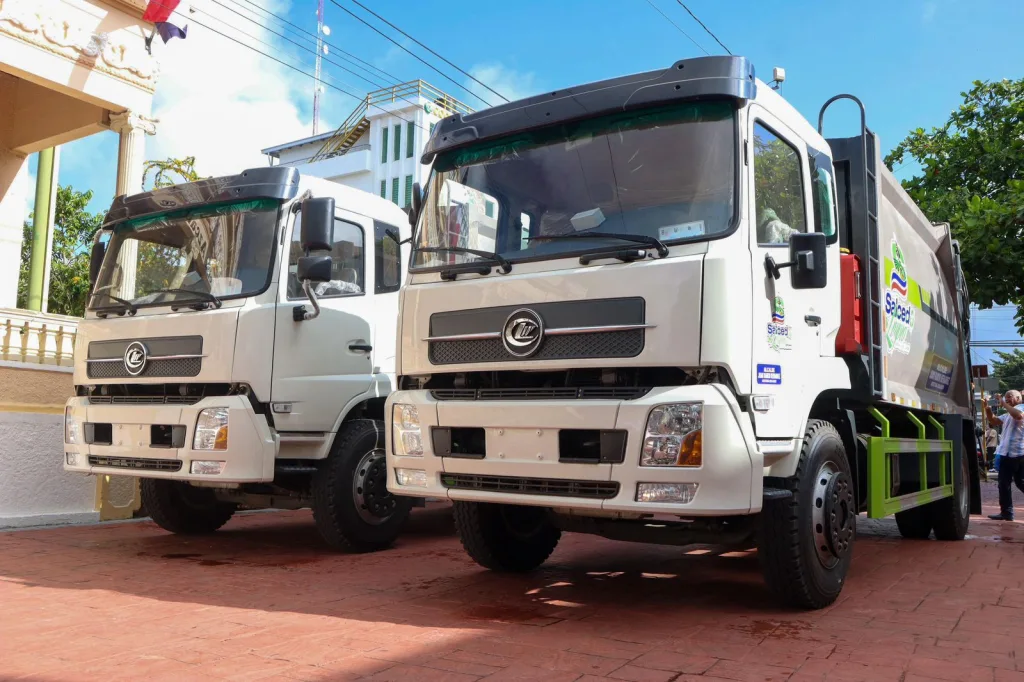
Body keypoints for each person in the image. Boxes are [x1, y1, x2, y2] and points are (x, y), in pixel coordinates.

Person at [985, 390, 1024, 521]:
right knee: (1004, 484)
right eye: (1005, 397)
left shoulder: (1021, 408)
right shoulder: (1008, 413)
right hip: (1006, 453)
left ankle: (1007, 512)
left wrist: (1002, 403)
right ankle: (1006, 513)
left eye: (1010, 396)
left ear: (1019, 398)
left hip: (1019, 453)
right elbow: (995, 421)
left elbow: (1018, 416)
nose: (1007, 399)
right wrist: (988, 410)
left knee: (1020, 483)